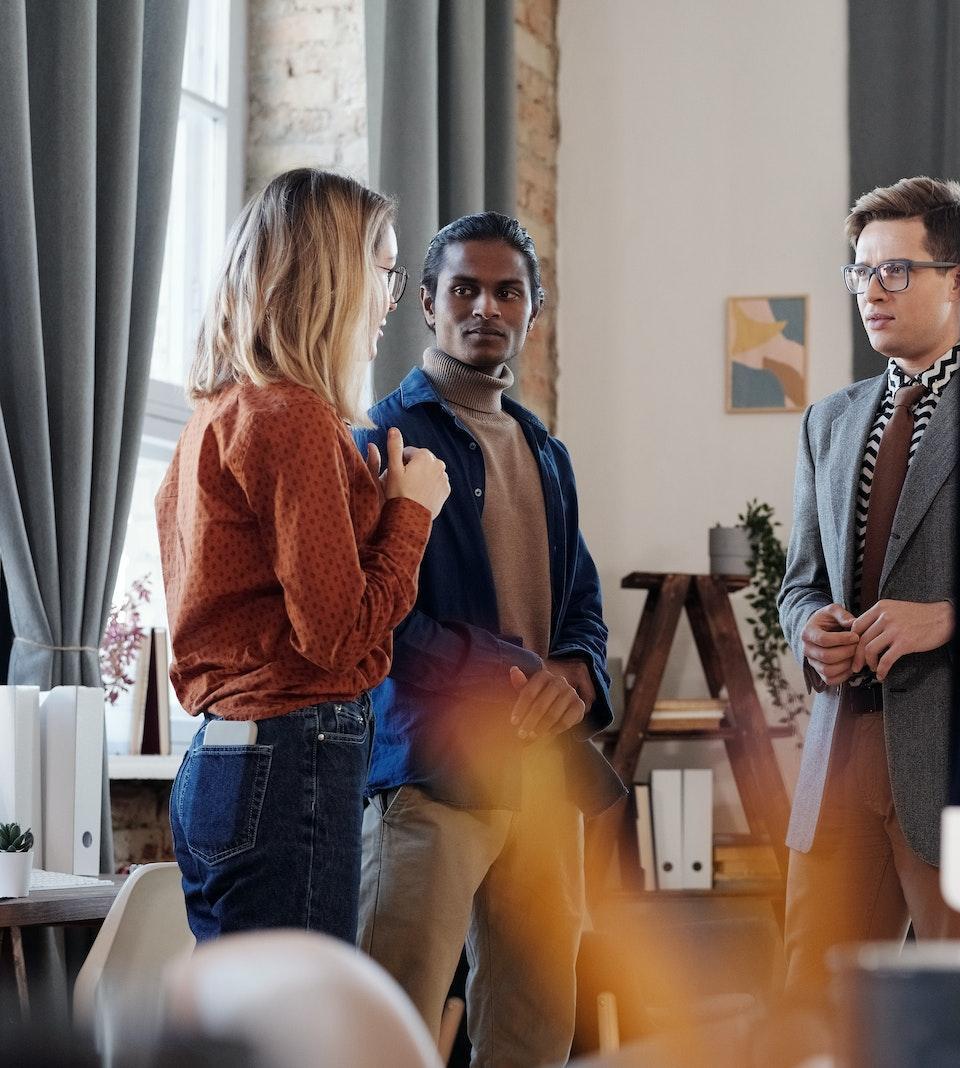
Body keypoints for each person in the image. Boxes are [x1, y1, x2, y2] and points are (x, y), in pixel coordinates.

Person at [354, 211, 623, 1064]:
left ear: (531, 311)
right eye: (464, 288)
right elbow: (381, 616)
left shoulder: (548, 452)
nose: (485, 307)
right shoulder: (382, 438)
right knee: (387, 1020)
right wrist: (513, 671)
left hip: (544, 777)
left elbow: (580, 599)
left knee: (535, 1027)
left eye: (508, 291)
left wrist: (574, 673)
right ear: (426, 301)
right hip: (431, 774)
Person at [157, 168, 450, 942]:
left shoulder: (215, 416)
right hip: (290, 759)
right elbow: (339, 635)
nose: (392, 300)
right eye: (385, 271)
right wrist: (412, 515)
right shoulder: (292, 418)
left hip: (221, 764)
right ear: (335, 275)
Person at [779, 176, 960, 995]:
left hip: (954, 766)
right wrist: (809, 627)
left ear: (958, 279)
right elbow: (798, 584)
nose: (871, 293)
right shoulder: (829, 420)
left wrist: (950, 619)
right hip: (838, 755)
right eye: (860, 273)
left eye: (895, 271)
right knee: (810, 1021)